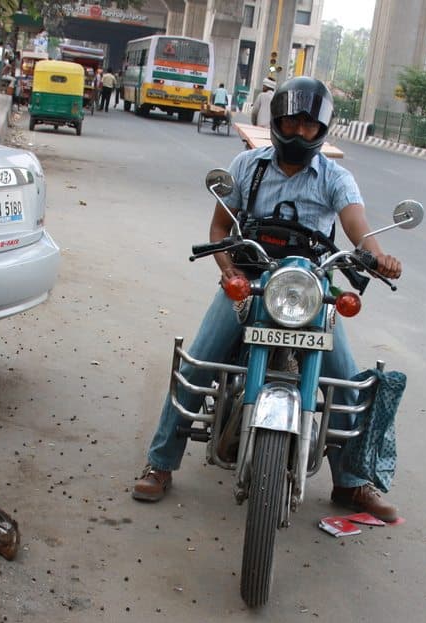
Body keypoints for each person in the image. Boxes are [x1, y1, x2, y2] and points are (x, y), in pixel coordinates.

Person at [132, 76, 403, 522]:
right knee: (198, 366)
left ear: (323, 129)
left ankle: (353, 482)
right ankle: (160, 462)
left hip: (311, 288)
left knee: (348, 385)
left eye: (310, 125)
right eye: (292, 122)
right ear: (276, 121)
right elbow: (220, 230)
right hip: (255, 280)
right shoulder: (246, 166)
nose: (299, 132)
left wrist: (378, 257)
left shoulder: (335, 177)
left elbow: (358, 227)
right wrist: (229, 271)